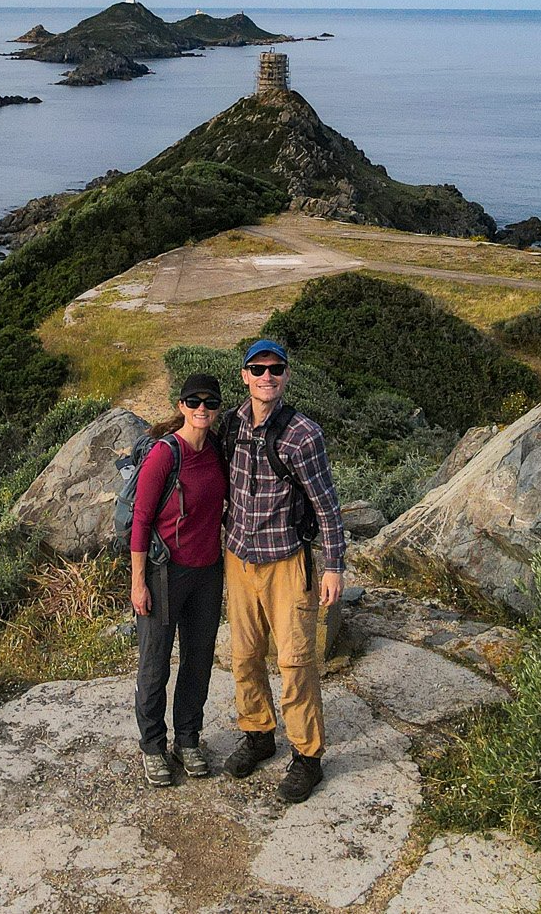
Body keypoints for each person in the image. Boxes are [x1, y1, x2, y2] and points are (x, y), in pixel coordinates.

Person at [218, 337, 346, 804]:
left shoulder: (303, 434)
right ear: (244, 376)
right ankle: (258, 734)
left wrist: (333, 566)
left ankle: (307, 757)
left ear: (287, 375)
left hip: (287, 561)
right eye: (258, 369)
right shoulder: (229, 425)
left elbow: (327, 506)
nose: (266, 377)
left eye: (275, 369)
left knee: (294, 661)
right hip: (238, 558)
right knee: (245, 656)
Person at [128, 371, 230, 787]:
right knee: (155, 665)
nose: (201, 409)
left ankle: (188, 739)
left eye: (209, 403)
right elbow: (140, 520)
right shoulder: (166, 455)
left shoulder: (218, 451)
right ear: (180, 405)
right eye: (193, 402)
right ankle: (153, 745)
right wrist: (138, 582)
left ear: (217, 409)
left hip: (208, 572)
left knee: (198, 660)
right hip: (164, 572)